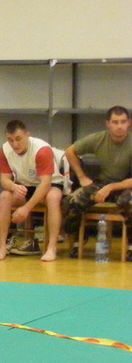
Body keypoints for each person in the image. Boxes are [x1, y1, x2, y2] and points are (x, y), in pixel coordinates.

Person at [62, 106, 132, 257]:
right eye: (115, 122)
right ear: (108, 124)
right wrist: (82, 177)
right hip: (102, 183)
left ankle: (131, 245)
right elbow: (70, 152)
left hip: (126, 186)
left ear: (129, 123)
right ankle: (77, 240)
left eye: (123, 122)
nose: (119, 126)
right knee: (72, 201)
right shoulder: (98, 139)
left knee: (130, 203)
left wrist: (111, 187)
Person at [0, 120, 64, 262]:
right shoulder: (4, 150)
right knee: (4, 196)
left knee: (53, 198)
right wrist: (13, 186)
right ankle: (2, 246)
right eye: (11, 140)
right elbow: (4, 180)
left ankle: (51, 248)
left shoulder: (41, 149)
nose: (15, 144)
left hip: (50, 184)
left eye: (18, 139)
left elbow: (45, 184)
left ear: (27, 135)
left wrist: (26, 208)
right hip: (25, 185)